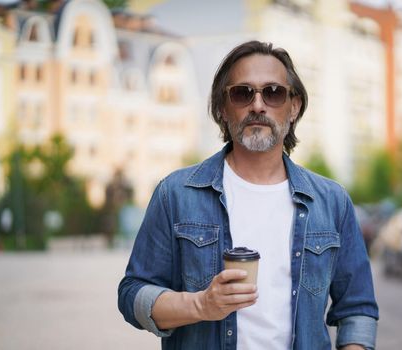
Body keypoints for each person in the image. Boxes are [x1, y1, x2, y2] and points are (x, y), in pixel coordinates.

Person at [118, 40, 379, 350]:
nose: (258, 105)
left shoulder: (332, 201)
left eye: (273, 93)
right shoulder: (175, 194)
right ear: (221, 108)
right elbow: (132, 295)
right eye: (243, 93)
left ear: (293, 107)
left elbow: (357, 308)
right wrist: (201, 305)